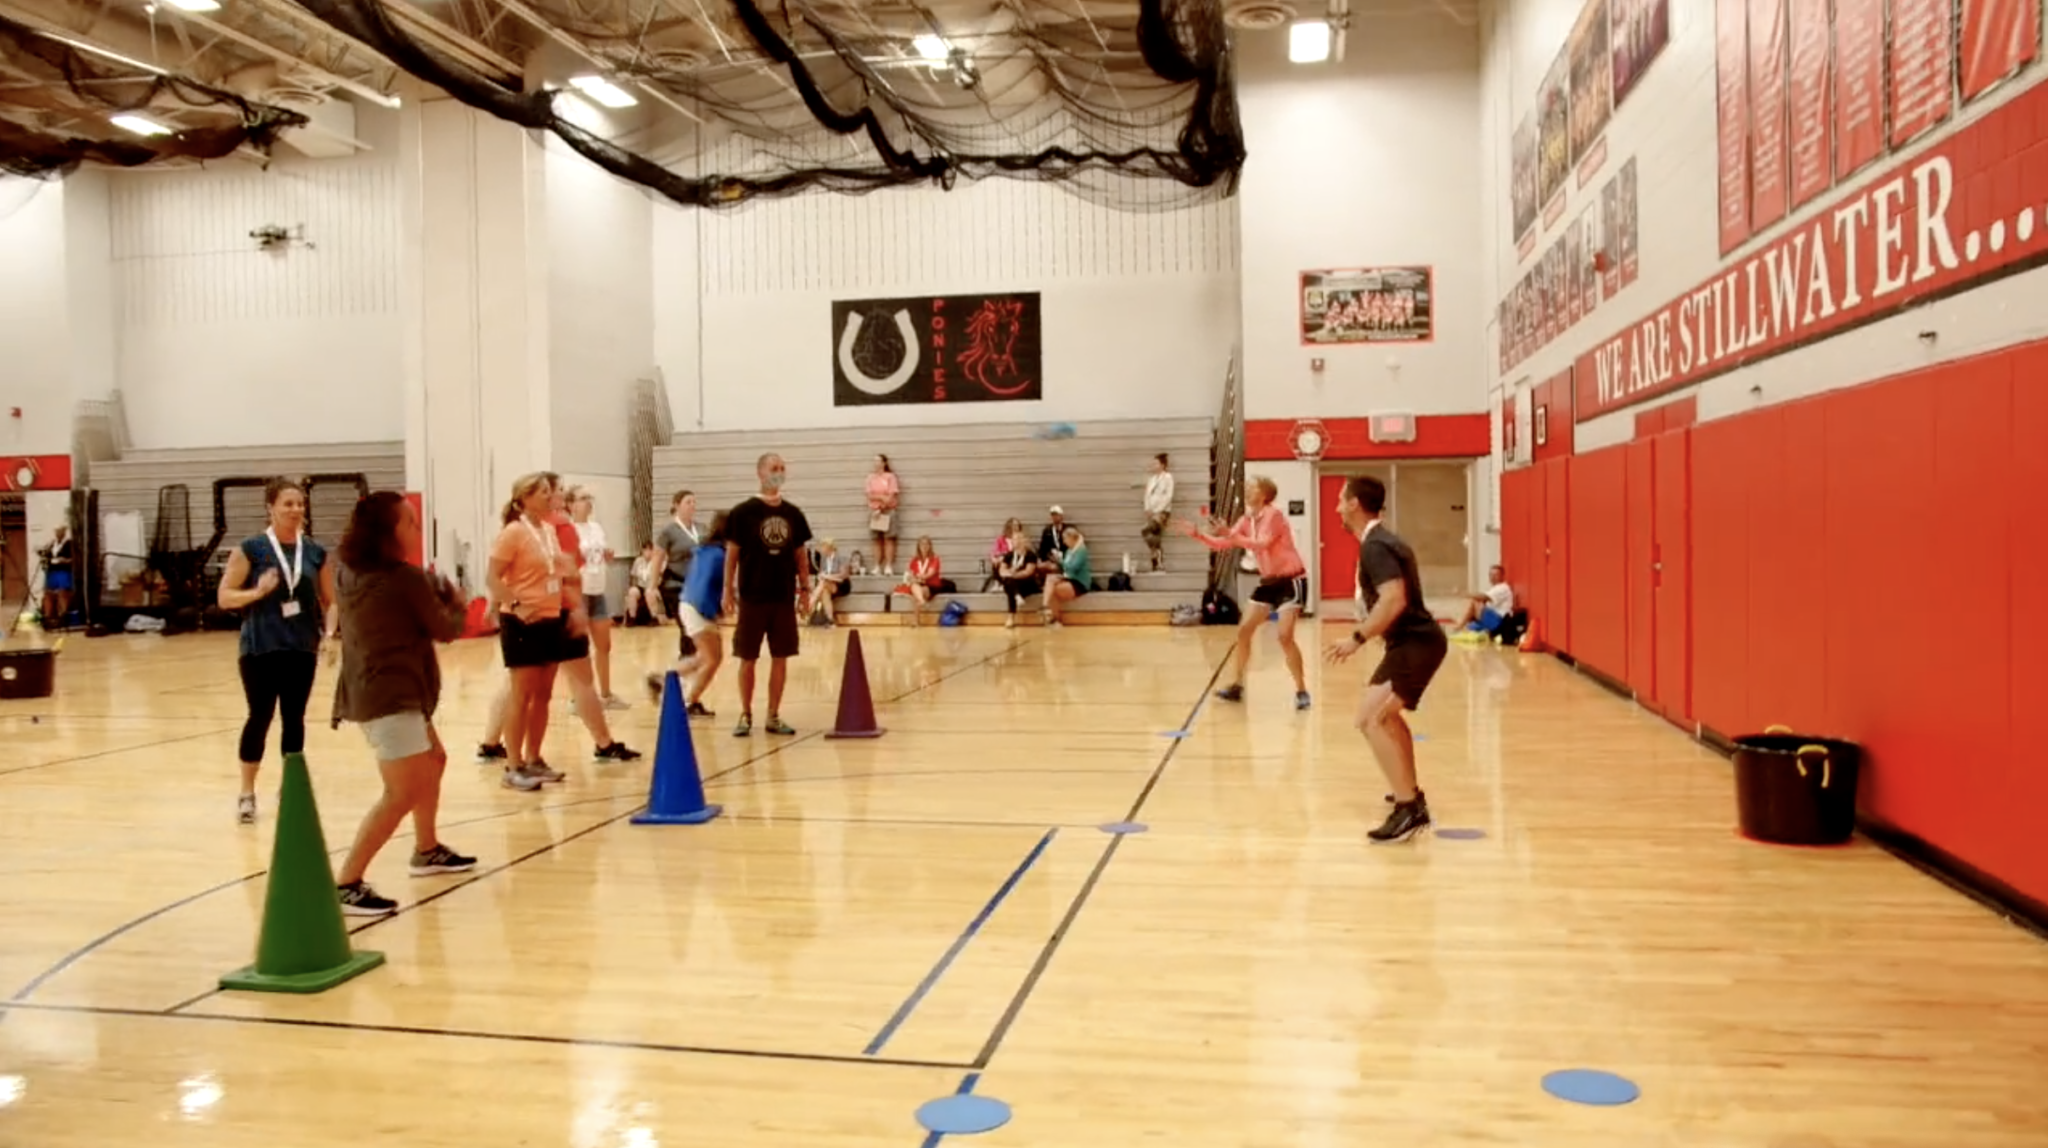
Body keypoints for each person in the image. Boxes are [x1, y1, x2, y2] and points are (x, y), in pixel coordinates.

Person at [327, 492, 475, 917]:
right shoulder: (404, 579)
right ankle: (347, 882)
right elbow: (445, 629)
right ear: (388, 531)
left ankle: (427, 850)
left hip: (369, 689)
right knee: (401, 791)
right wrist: (457, 603)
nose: (417, 527)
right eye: (409, 522)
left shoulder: (347, 571)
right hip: (392, 697)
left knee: (434, 759)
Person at [1323, 475, 1448, 843]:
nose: (1337, 508)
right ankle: (1410, 794)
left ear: (1354, 504)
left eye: (1340, 500)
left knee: (1370, 718)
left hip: (1415, 642)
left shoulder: (1375, 546)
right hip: (1410, 643)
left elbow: (1394, 598)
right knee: (1385, 717)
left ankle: (1409, 808)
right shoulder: (1380, 541)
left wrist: (1357, 638)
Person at [216, 478, 336, 825]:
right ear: (271, 507)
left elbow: (331, 602)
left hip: (301, 647)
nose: (296, 510)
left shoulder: (314, 552)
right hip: (260, 648)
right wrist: (257, 592)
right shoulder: (251, 549)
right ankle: (247, 792)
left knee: (294, 718)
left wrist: (329, 634)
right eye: (288, 504)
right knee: (260, 715)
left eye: (300, 504)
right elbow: (225, 597)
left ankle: (291, 787)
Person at [1182, 475, 1309, 710]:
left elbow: (1261, 544)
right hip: (1268, 582)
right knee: (1243, 632)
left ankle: (1301, 690)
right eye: (1247, 487)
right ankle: (1237, 686)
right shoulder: (1246, 519)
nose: (1247, 490)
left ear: (1265, 494)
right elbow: (1223, 544)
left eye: (1252, 487)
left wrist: (1230, 533)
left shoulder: (1274, 515)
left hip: (1291, 580)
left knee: (1284, 636)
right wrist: (1198, 534)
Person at [487, 473, 580, 791]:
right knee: (522, 694)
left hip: (550, 619)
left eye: (550, 491)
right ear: (524, 499)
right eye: (543, 492)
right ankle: (513, 766)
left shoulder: (549, 531)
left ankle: (534, 758)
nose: (549, 497)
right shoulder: (513, 533)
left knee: (543, 695)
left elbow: (557, 571)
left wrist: (571, 598)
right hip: (522, 623)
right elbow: (492, 578)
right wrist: (516, 604)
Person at [724, 453, 812, 737]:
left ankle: (773, 715)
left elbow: (801, 556)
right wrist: (727, 590)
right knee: (747, 658)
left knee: (781, 657)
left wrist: (805, 590)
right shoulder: (742, 512)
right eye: (774, 468)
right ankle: (745, 713)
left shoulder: (793, 514)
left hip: (783, 598)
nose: (779, 472)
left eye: (783, 468)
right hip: (752, 597)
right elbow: (732, 556)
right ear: (760, 472)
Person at [568, 487, 624, 704]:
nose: (588, 502)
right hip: (578, 592)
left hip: (597, 589)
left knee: (604, 645)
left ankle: (606, 695)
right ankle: (578, 698)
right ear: (571, 505)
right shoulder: (568, 530)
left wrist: (607, 555)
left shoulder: (596, 528)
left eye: (589, 498)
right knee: (579, 649)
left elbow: (600, 554)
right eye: (582, 498)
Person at [1044, 526, 1090, 627]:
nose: (1064, 542)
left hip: (1079, 582)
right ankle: (1047, 609)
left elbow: (1073, 568)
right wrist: (1056, 562)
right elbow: (1066, 568)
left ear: (1071, 538)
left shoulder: (1081, 551)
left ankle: (1054, 616)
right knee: (1050, 580)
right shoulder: (1069, 551)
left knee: (1054, 590)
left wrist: (1060, 561)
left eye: (1065, 539)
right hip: (1069, 578)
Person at [864, 454, 900, 576]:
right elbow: (869, 495)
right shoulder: (870, 478)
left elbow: (891, 496)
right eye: (874, 461)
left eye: (878, 461)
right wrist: (881, 497)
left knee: (888, 538)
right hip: (874, 512)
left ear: (884, 463)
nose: (876, 463)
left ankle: (888, 566)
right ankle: (877, 565)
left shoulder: (890, 477)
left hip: (887, 510)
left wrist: (881, 505)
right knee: (876, 539)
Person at [1139, 453, 1174, 571]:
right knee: (1155, 535)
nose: (1153, 465)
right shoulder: (1152, 479)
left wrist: (1157, 510)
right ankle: (1157, 561)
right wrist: (1147, 509)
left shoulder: (1168, 477)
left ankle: (1157, 554)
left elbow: (1168, 496)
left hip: (1162, 512)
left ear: (1162, 465)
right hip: (1152, 512)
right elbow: (1147, 496)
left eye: (1156, 463)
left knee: (1146, 530)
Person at [41, 524, 74, 630]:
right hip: (52, 571)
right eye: (56, 531)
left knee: (62, 592)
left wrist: (64, 560)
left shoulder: (69, 543)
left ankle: (63, 616)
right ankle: (47, 617)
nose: (58, 533)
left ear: (64, 532)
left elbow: (73, 559)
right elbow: (47, 555)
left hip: (63, 571)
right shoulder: (52, 543)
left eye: (60, 531)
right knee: (48, 592)